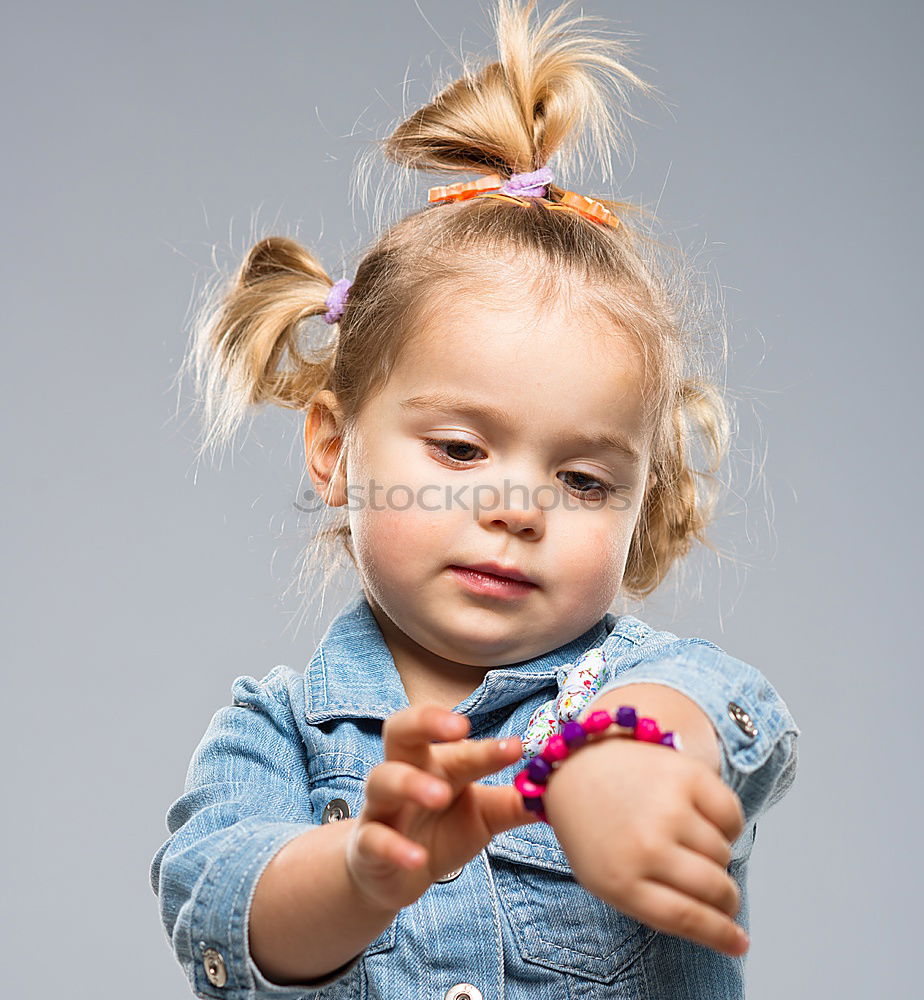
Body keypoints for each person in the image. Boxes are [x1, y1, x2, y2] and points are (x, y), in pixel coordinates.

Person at [150, 2, 800, 997]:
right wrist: (365, 868)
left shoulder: (667, 684)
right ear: (333, 448)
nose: (519, 508)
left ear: (642, 500)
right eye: (459, 448)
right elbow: (229, 913)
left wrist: (614, 761)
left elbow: (702, 723)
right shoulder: (272, 733)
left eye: (584, 479)